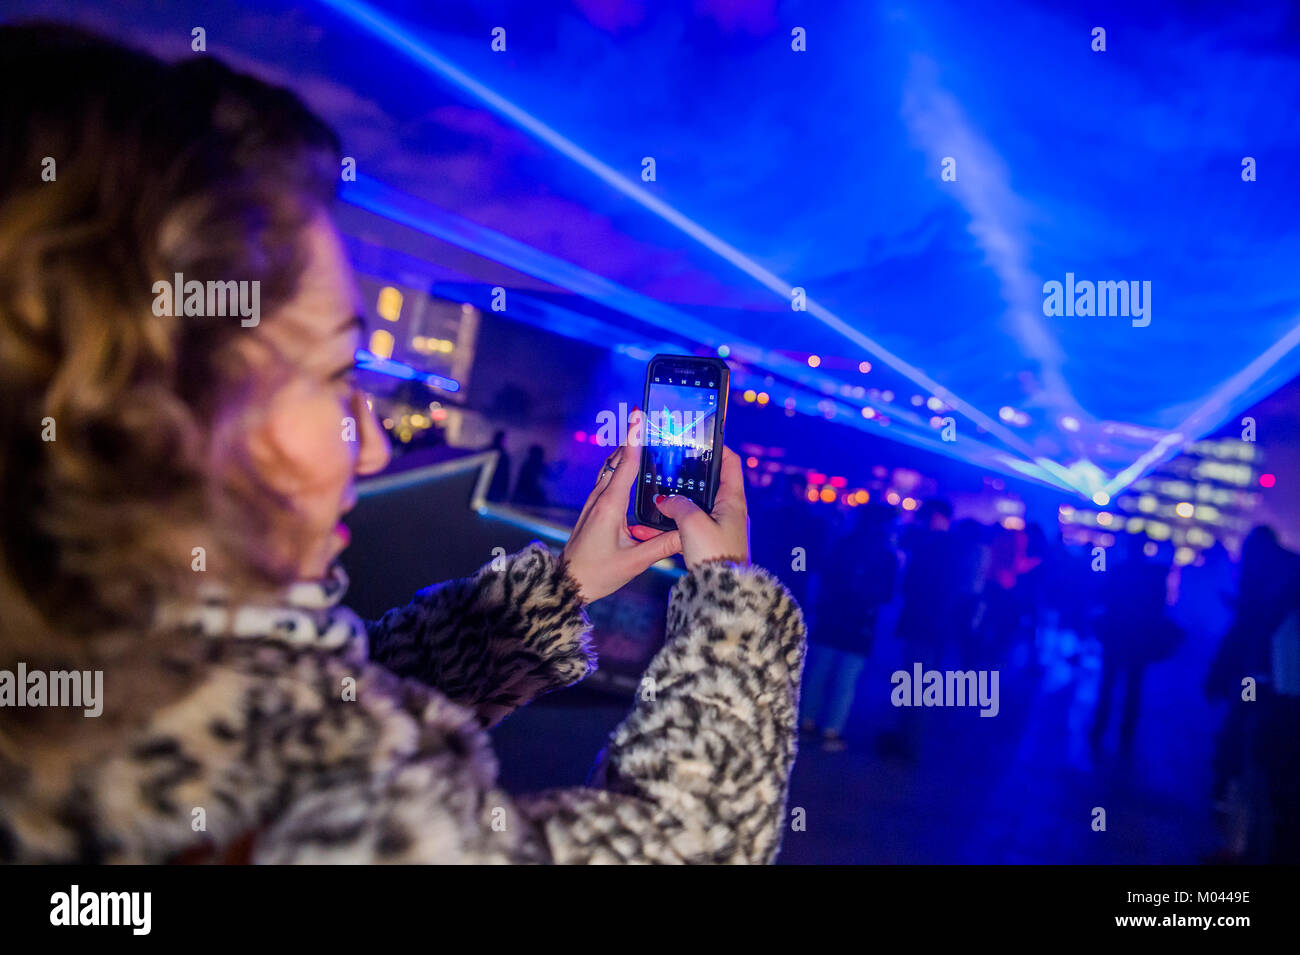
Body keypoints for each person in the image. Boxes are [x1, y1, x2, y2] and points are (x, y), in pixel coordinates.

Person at [0, 25, 807, 864]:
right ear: (150, 417)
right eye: (329, 374)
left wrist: (563, 589)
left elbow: (317, 705)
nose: (375, 444)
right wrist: (730, 611)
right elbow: (682, 849)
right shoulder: (273, 805)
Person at [800, 503, 898, 751]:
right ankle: (831, 731)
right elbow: (886, 594)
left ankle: (806, 723)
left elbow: (826, 575)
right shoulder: (886, 556)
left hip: (832, 616)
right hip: (860, 623)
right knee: (846, 680)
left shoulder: (843, 544)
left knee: (818, 672)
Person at [483, 429, 511, 502]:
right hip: (490, 486)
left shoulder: (502, 455)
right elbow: (505, 475)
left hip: (492, 486)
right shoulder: (502, 455)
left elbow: (505, 474)